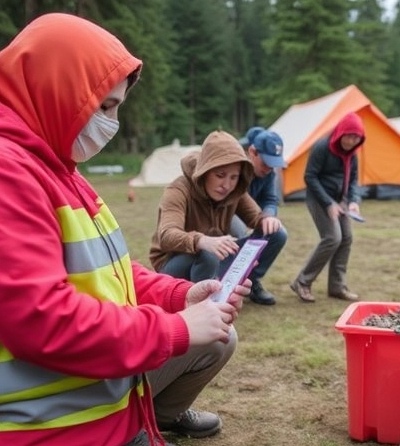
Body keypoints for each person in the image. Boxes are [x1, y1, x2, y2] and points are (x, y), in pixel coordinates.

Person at [0, 13, 247, 446]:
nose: (111, 123)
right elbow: (41, 321)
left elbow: (111, 270)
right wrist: (176, 329)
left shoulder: (54, 166)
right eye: (104, 105)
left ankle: (141, 425)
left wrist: (180, 297)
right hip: (9, 442)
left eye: (118, 108)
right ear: (59, 90)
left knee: (216, 338)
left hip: (56, 424)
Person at [149, 130, 287, 306]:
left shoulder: (235, 190)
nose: (227, 185)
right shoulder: (178, 190)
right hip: (174, 265)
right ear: (206, 171)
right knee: (209, 252)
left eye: (234, 177)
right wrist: (202, 241)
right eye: (220, 175)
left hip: (215, 255)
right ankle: (204, 307)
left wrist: (266, 218)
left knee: (277, 233)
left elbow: (256, 218)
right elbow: (167, 236)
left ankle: (247, 283)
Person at [289, 112, 365, 303]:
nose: (351, 141)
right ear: (341, 133)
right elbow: (310, 177)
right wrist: (328, 203)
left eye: (356, 138)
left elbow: (353, 179)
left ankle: (337, 287)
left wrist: (353, 200)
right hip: (319, 198)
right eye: (349, 136)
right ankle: (302, 282)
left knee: (346, 238)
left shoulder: (352, 154)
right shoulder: (322, 147)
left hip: (341, 201)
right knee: (332, 237)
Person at [227, 127, 290, 305]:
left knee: (279, 233)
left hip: (253, 216)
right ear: (252, 152)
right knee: (240, 236)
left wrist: (269, 216)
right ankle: (225, 285)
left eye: (273, 164)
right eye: (265, 163)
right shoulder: (234, 165)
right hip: (228, 212)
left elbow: (270, 199)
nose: (269, 168)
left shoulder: (268, 173)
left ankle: (251, 281)